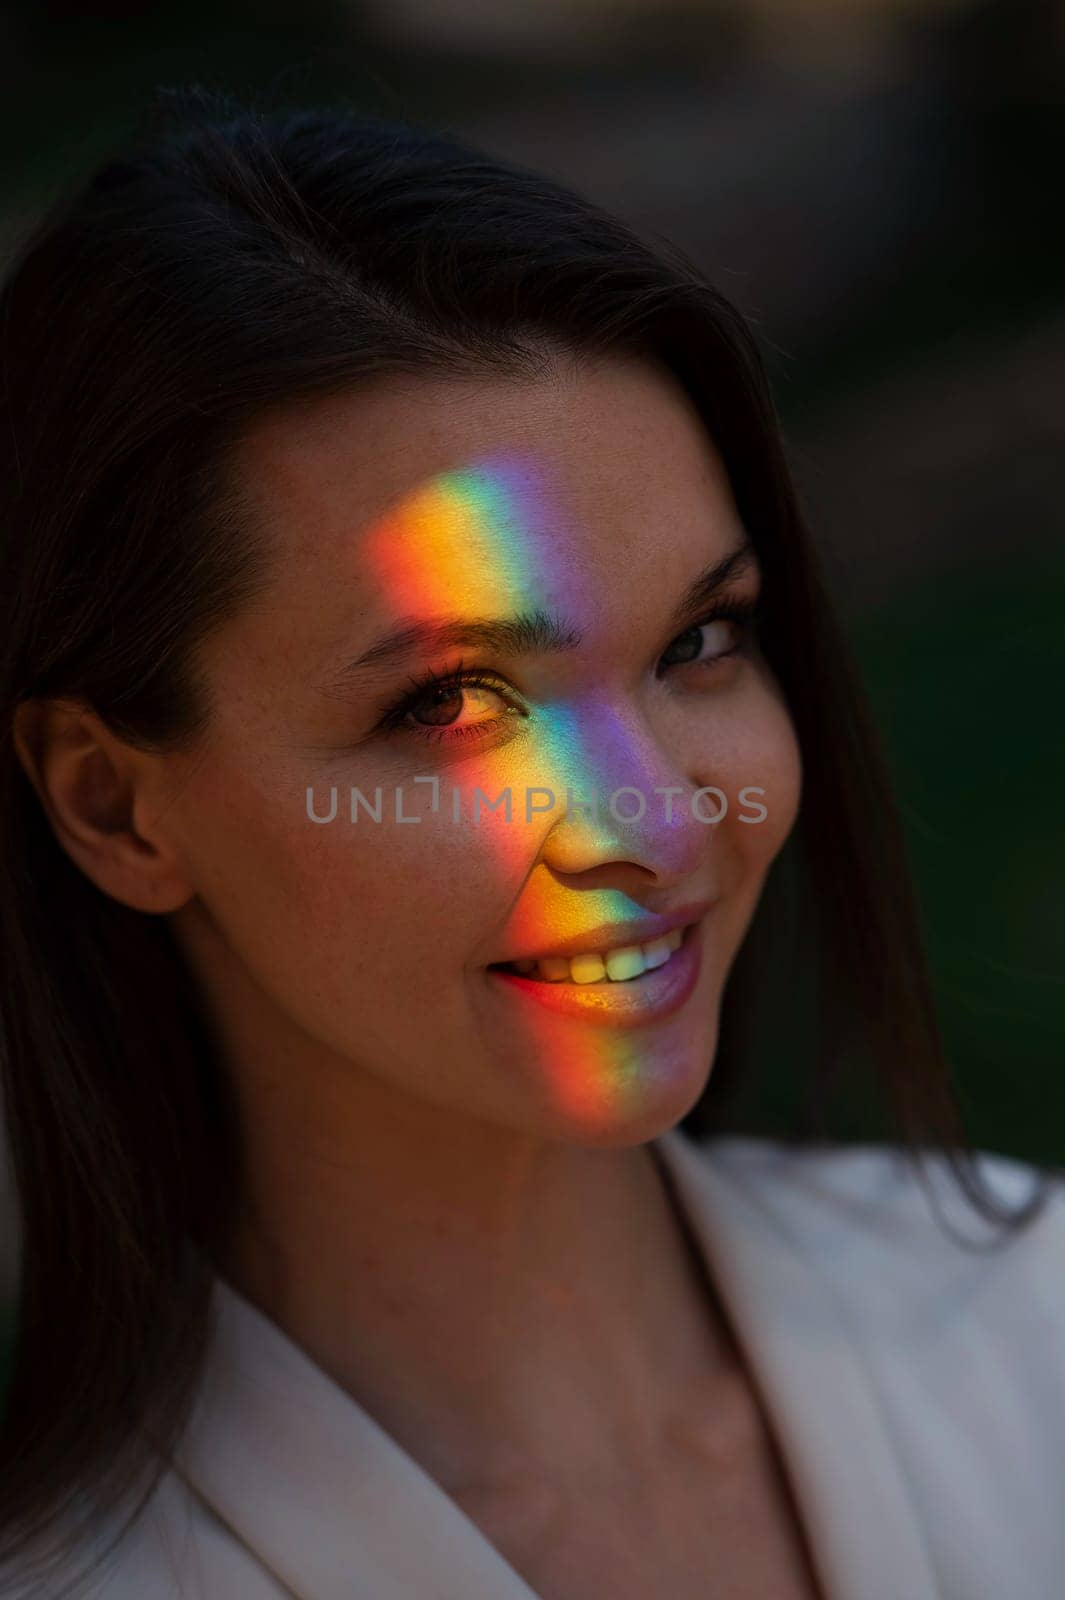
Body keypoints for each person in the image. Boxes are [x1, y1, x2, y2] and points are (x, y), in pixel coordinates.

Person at [0, 87, 1061, 1600]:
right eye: (451, 701)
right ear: (113, 803)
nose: (650, 814)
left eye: (701, 639)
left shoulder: (1037, 1332)